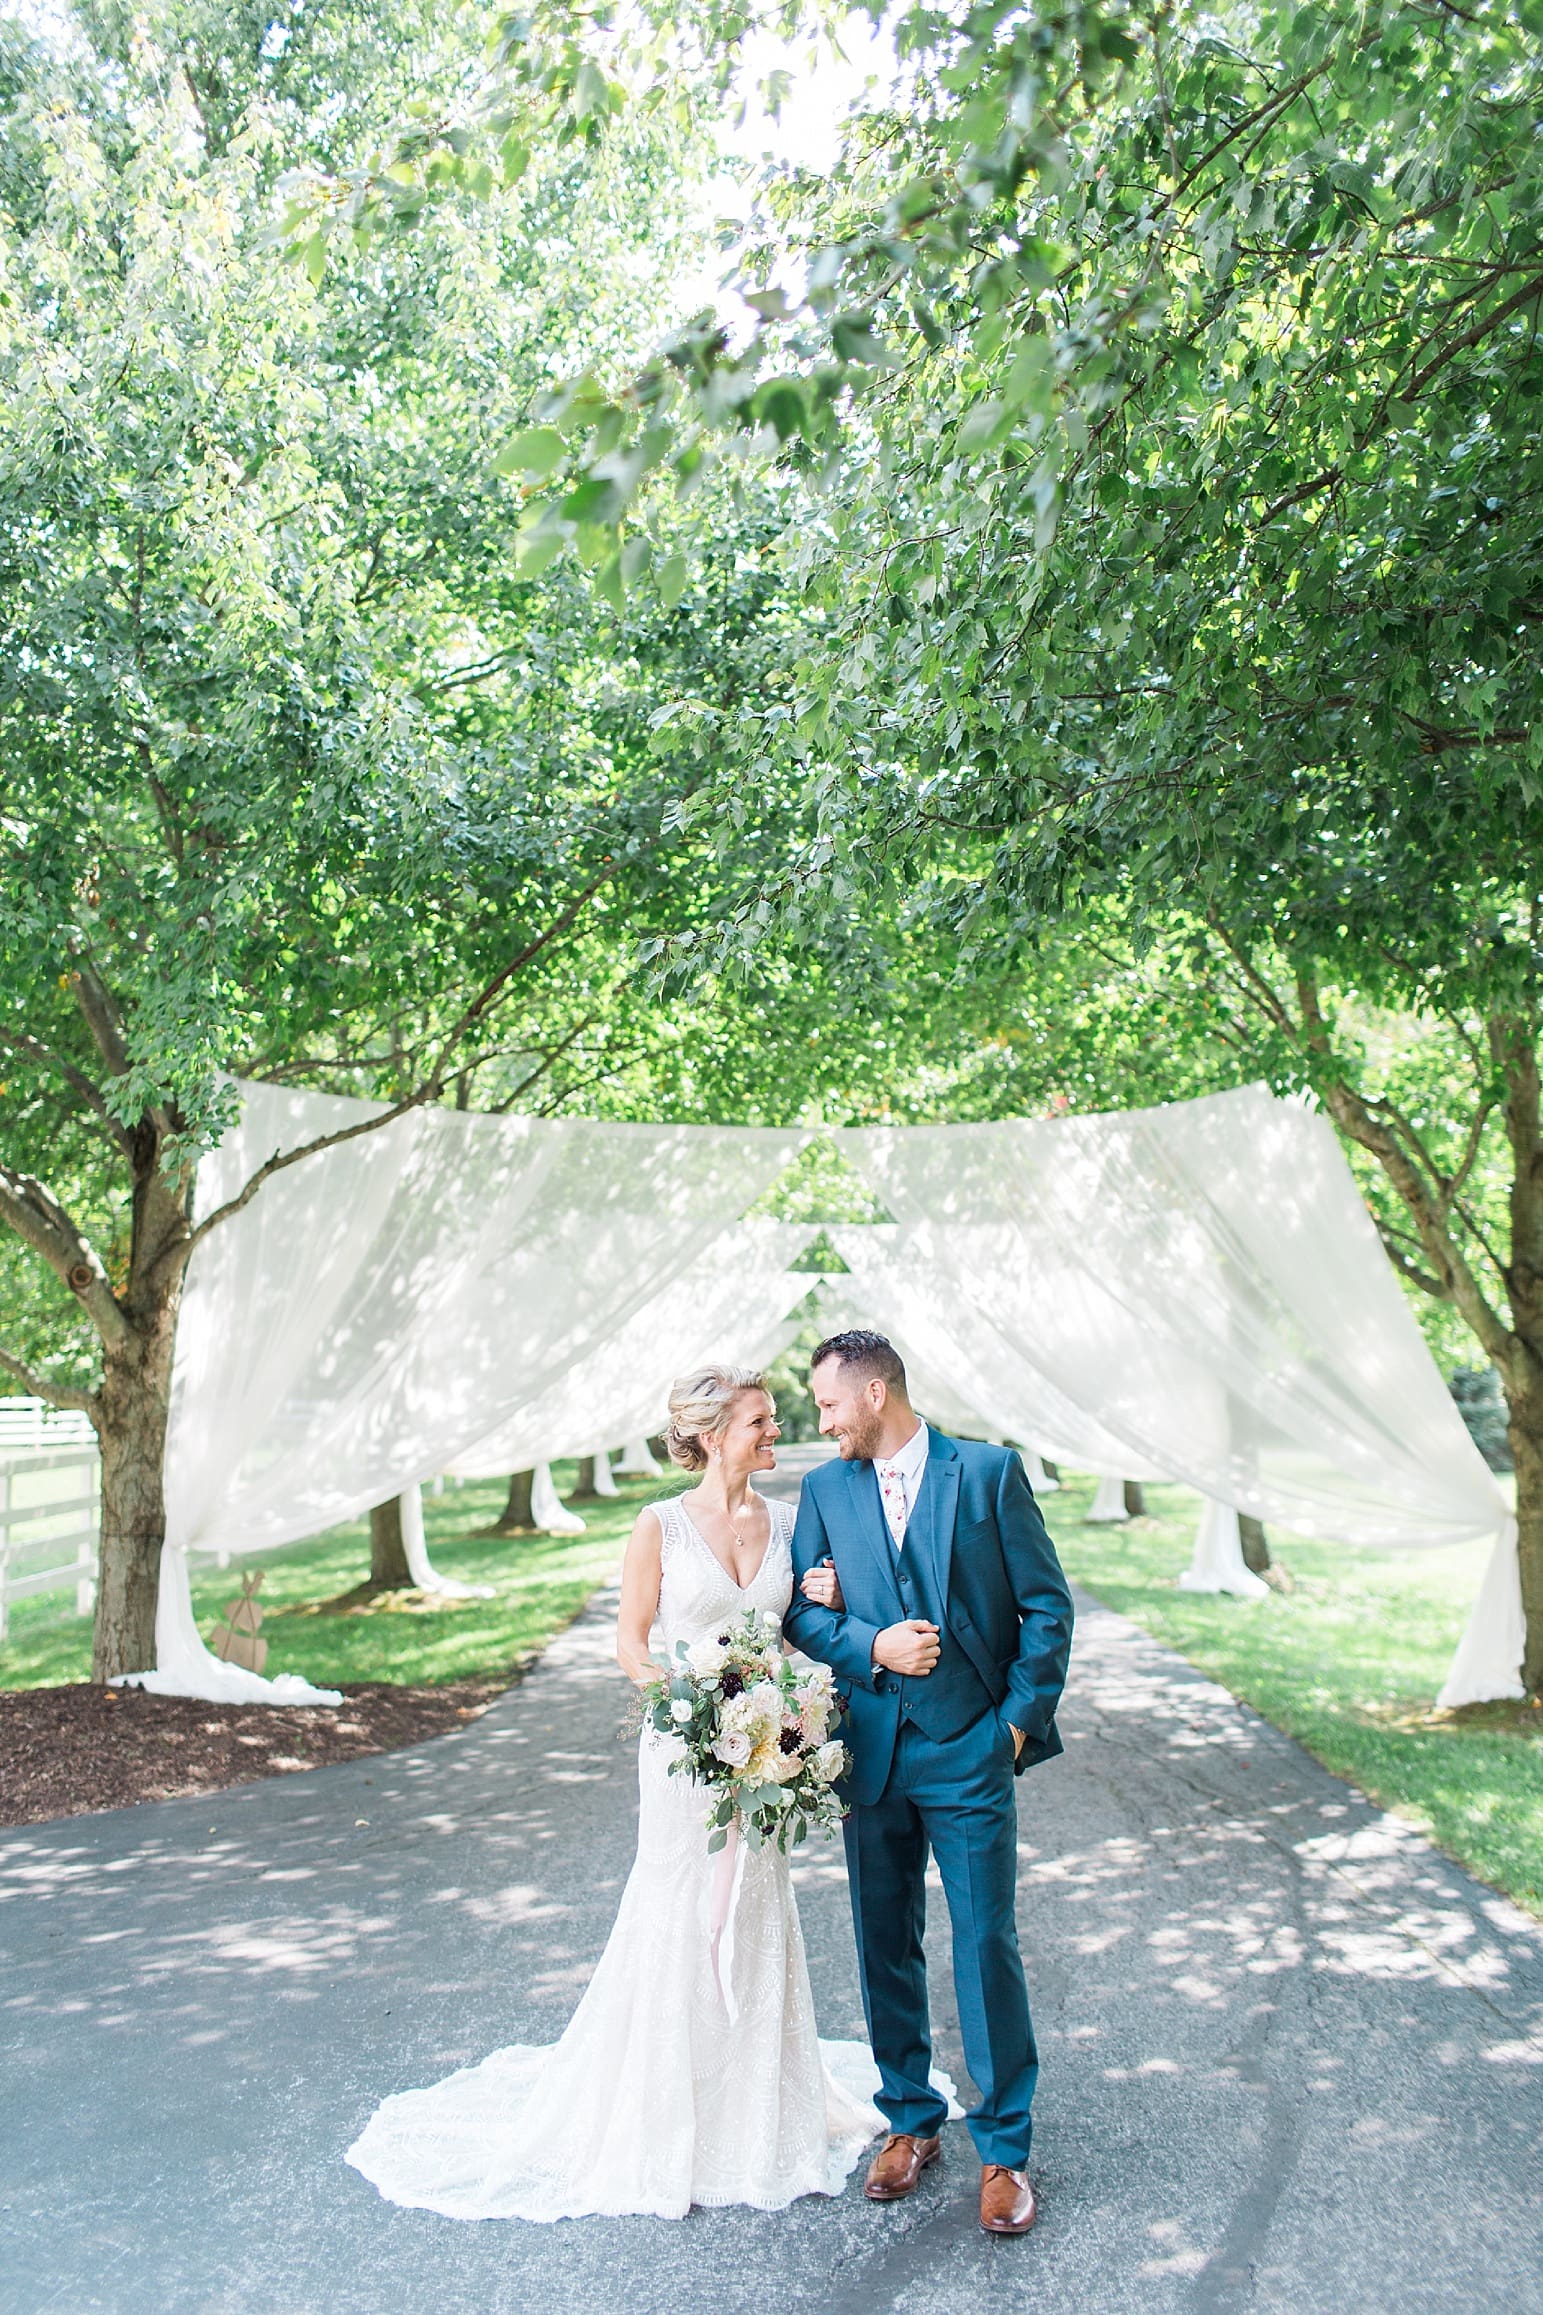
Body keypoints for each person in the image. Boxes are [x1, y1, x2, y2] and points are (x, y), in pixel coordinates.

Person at [345, 1365, 938, 2221]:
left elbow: (805, 1624)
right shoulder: (656, 1524)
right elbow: (630, 1643)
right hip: (686, 1749)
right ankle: (663, 2118)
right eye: (760, 1423)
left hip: (769, 1746)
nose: (776, 1433)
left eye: (775, 1421)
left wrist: (814, 1635)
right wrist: (696, 1708)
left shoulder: (788, 1520)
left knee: (758, 1908)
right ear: (708, 1434)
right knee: (681, 1905)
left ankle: (758, 2113)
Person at [783, 1329, 1073, 2238]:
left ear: (875, 1392)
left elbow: (1045, 1605)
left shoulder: (986, 1474)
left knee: (985, 1941)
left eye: (829, 1404)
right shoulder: (826, 1489)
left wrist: (1013, 1726)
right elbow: (795, 1606)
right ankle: (910, 2120)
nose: (821, 1421)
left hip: (969, 1749)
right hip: (868, 1752)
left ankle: (1004, 2150)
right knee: (883, 1942)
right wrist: (867, 1642)